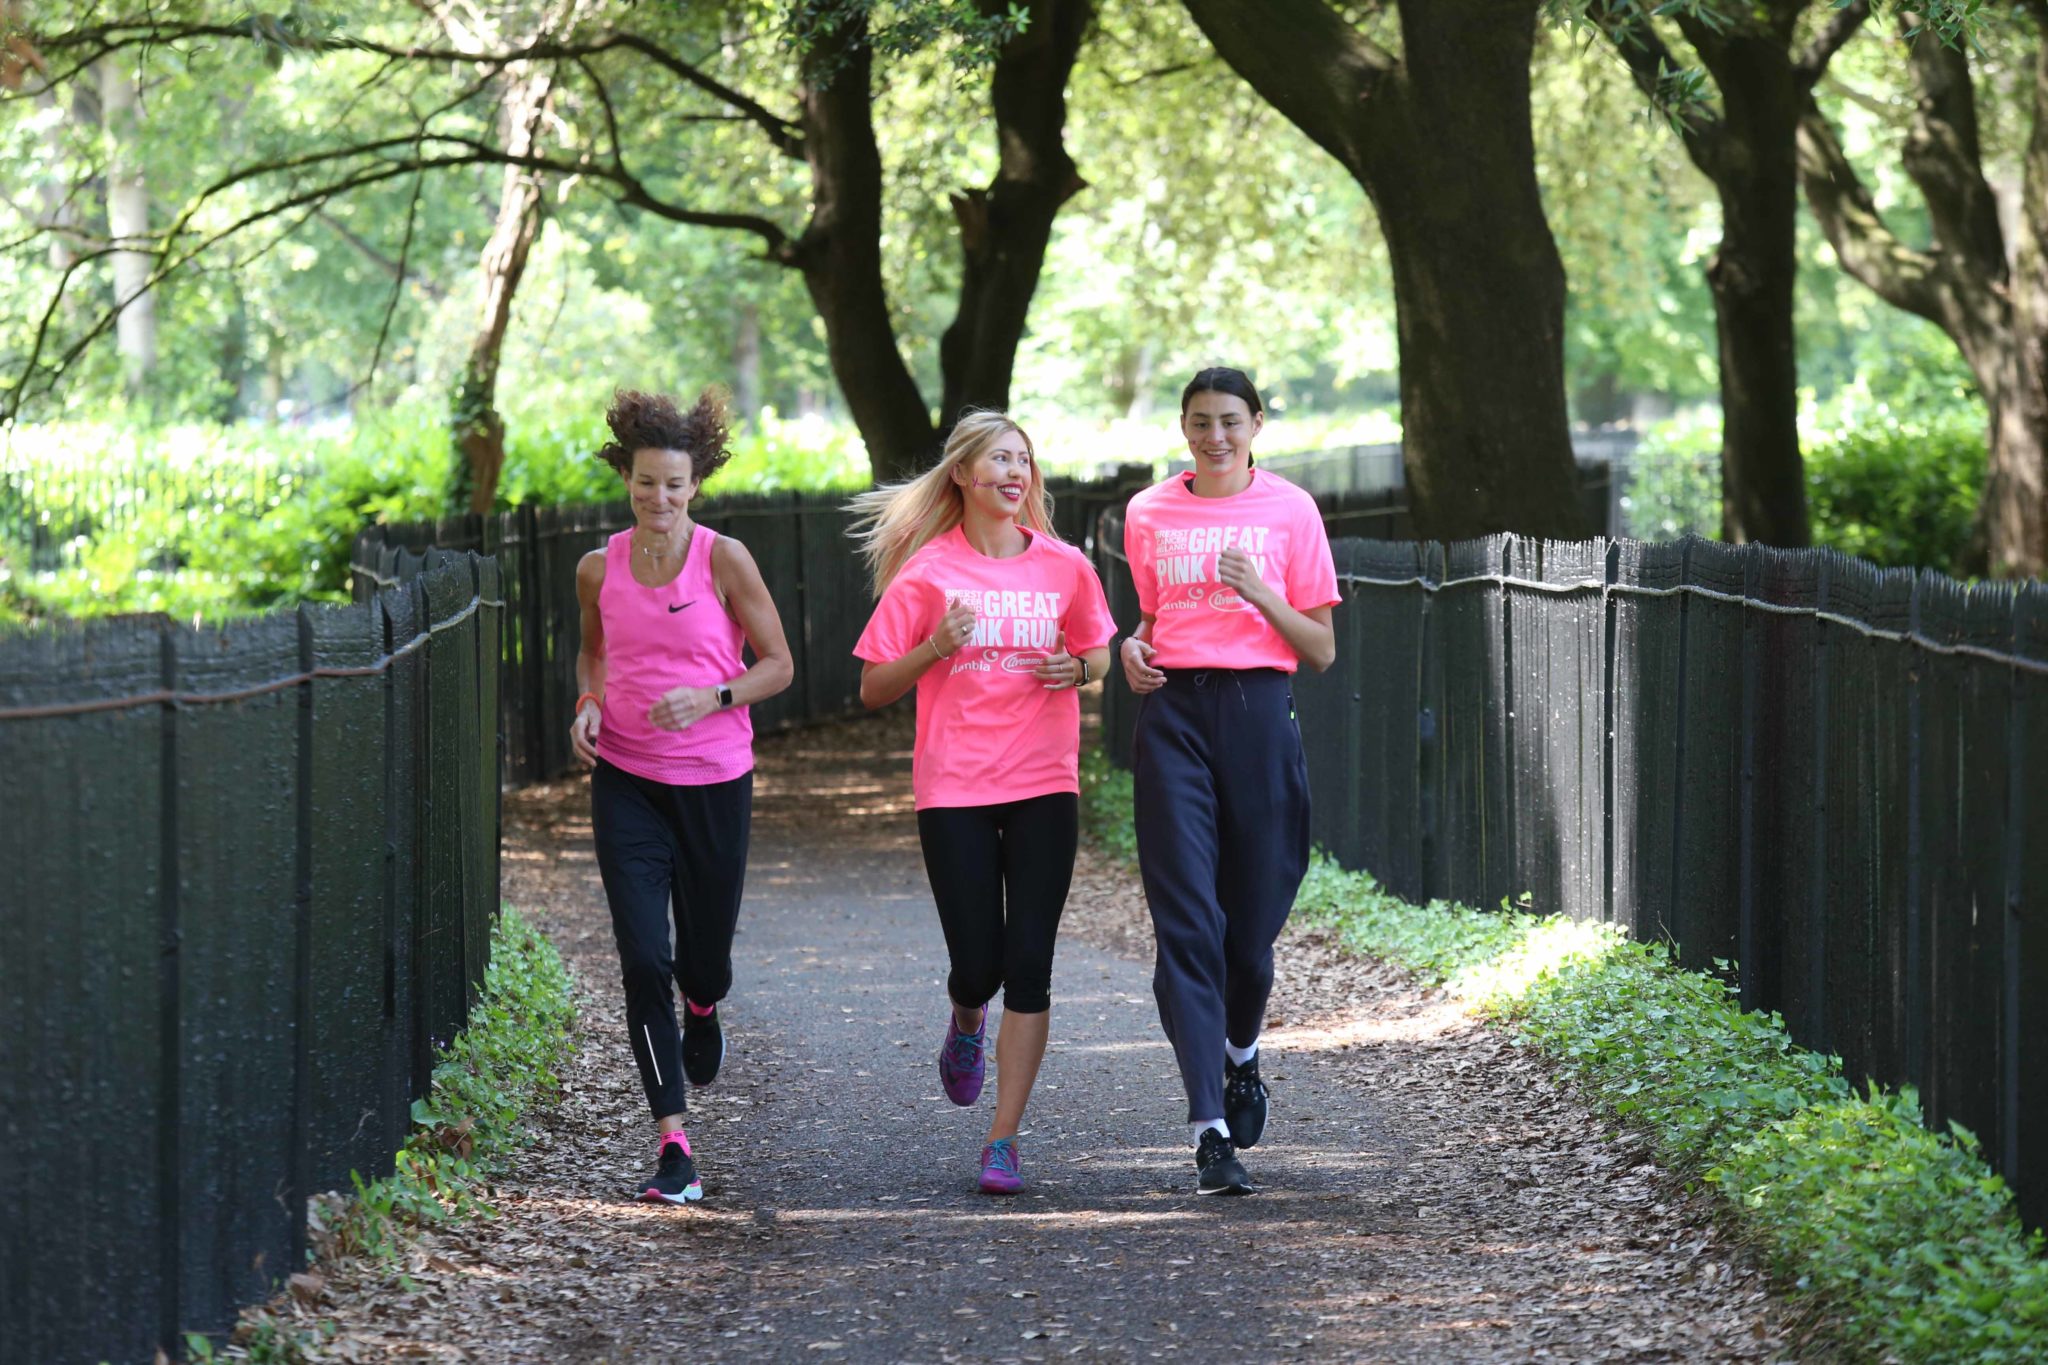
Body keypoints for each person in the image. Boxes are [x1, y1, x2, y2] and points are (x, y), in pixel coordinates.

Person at [849, 410, 1114, 1195]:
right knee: (980, 963)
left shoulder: (1066, 566)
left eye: (1023, 460)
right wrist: (937, 646)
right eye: (999, 458)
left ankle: (1003, 1139)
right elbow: (872, 686)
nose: (1015, 471)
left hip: (1044, 780)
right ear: (963, 472)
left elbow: (1097, 645)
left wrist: (1082, 668)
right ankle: (967, 1019)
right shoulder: (927, 572)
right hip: (956, 784)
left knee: (1031, 964)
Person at [569, 387, 794, 1205]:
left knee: (702, 961)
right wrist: (588, 706)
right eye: (644, 485)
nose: (658, 500)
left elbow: (779, 663)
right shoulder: (598, 568)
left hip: (714, 783)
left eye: (673, 485)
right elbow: (594, 657)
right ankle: (674, 1143)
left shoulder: (724, 559)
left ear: (694, 484)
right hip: (627, 780)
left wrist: (714, 697)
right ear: (625, 481)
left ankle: (705, 1005)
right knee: (640, 959)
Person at [1120, 368, 1338, 1195]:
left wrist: (1259, 594)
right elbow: (1152, 619)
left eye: (1230, 422)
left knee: (1247, 940)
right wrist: (1134, 651)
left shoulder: (1292, 510)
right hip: (1173, 715)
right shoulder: (1149, 512)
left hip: (1257, 713)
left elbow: (1317, 650)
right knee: (1187, 927)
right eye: (1201, 422)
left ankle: (1242, 1055)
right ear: (1183, 428)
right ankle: (1208, 1128)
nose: (1215, 436)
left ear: (1256, 426)